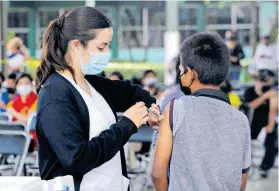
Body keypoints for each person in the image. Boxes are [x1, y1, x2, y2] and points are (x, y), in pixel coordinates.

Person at [35, 7, 160, 191]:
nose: (107, 52)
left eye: (108, 45)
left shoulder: (93, 84)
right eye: (101, 47)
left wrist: (150, 109)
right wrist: (126, 125)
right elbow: (75, 159)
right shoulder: (55, 95)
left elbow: (132, 93)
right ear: (76, 45)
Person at [152, 32, 251, 191]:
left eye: (182, 70)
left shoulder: (176, 108)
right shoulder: (241, 119)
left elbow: (158, 173)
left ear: (191, 74)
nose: (180, 75)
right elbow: (242, 180)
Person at [243, 70, 276, 140]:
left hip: (265, 130)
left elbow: (273, 110)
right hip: (251, 127)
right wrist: (263, 95)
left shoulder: (271, 91)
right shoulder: (250, 91)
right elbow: (252, 105)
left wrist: (271, 125)